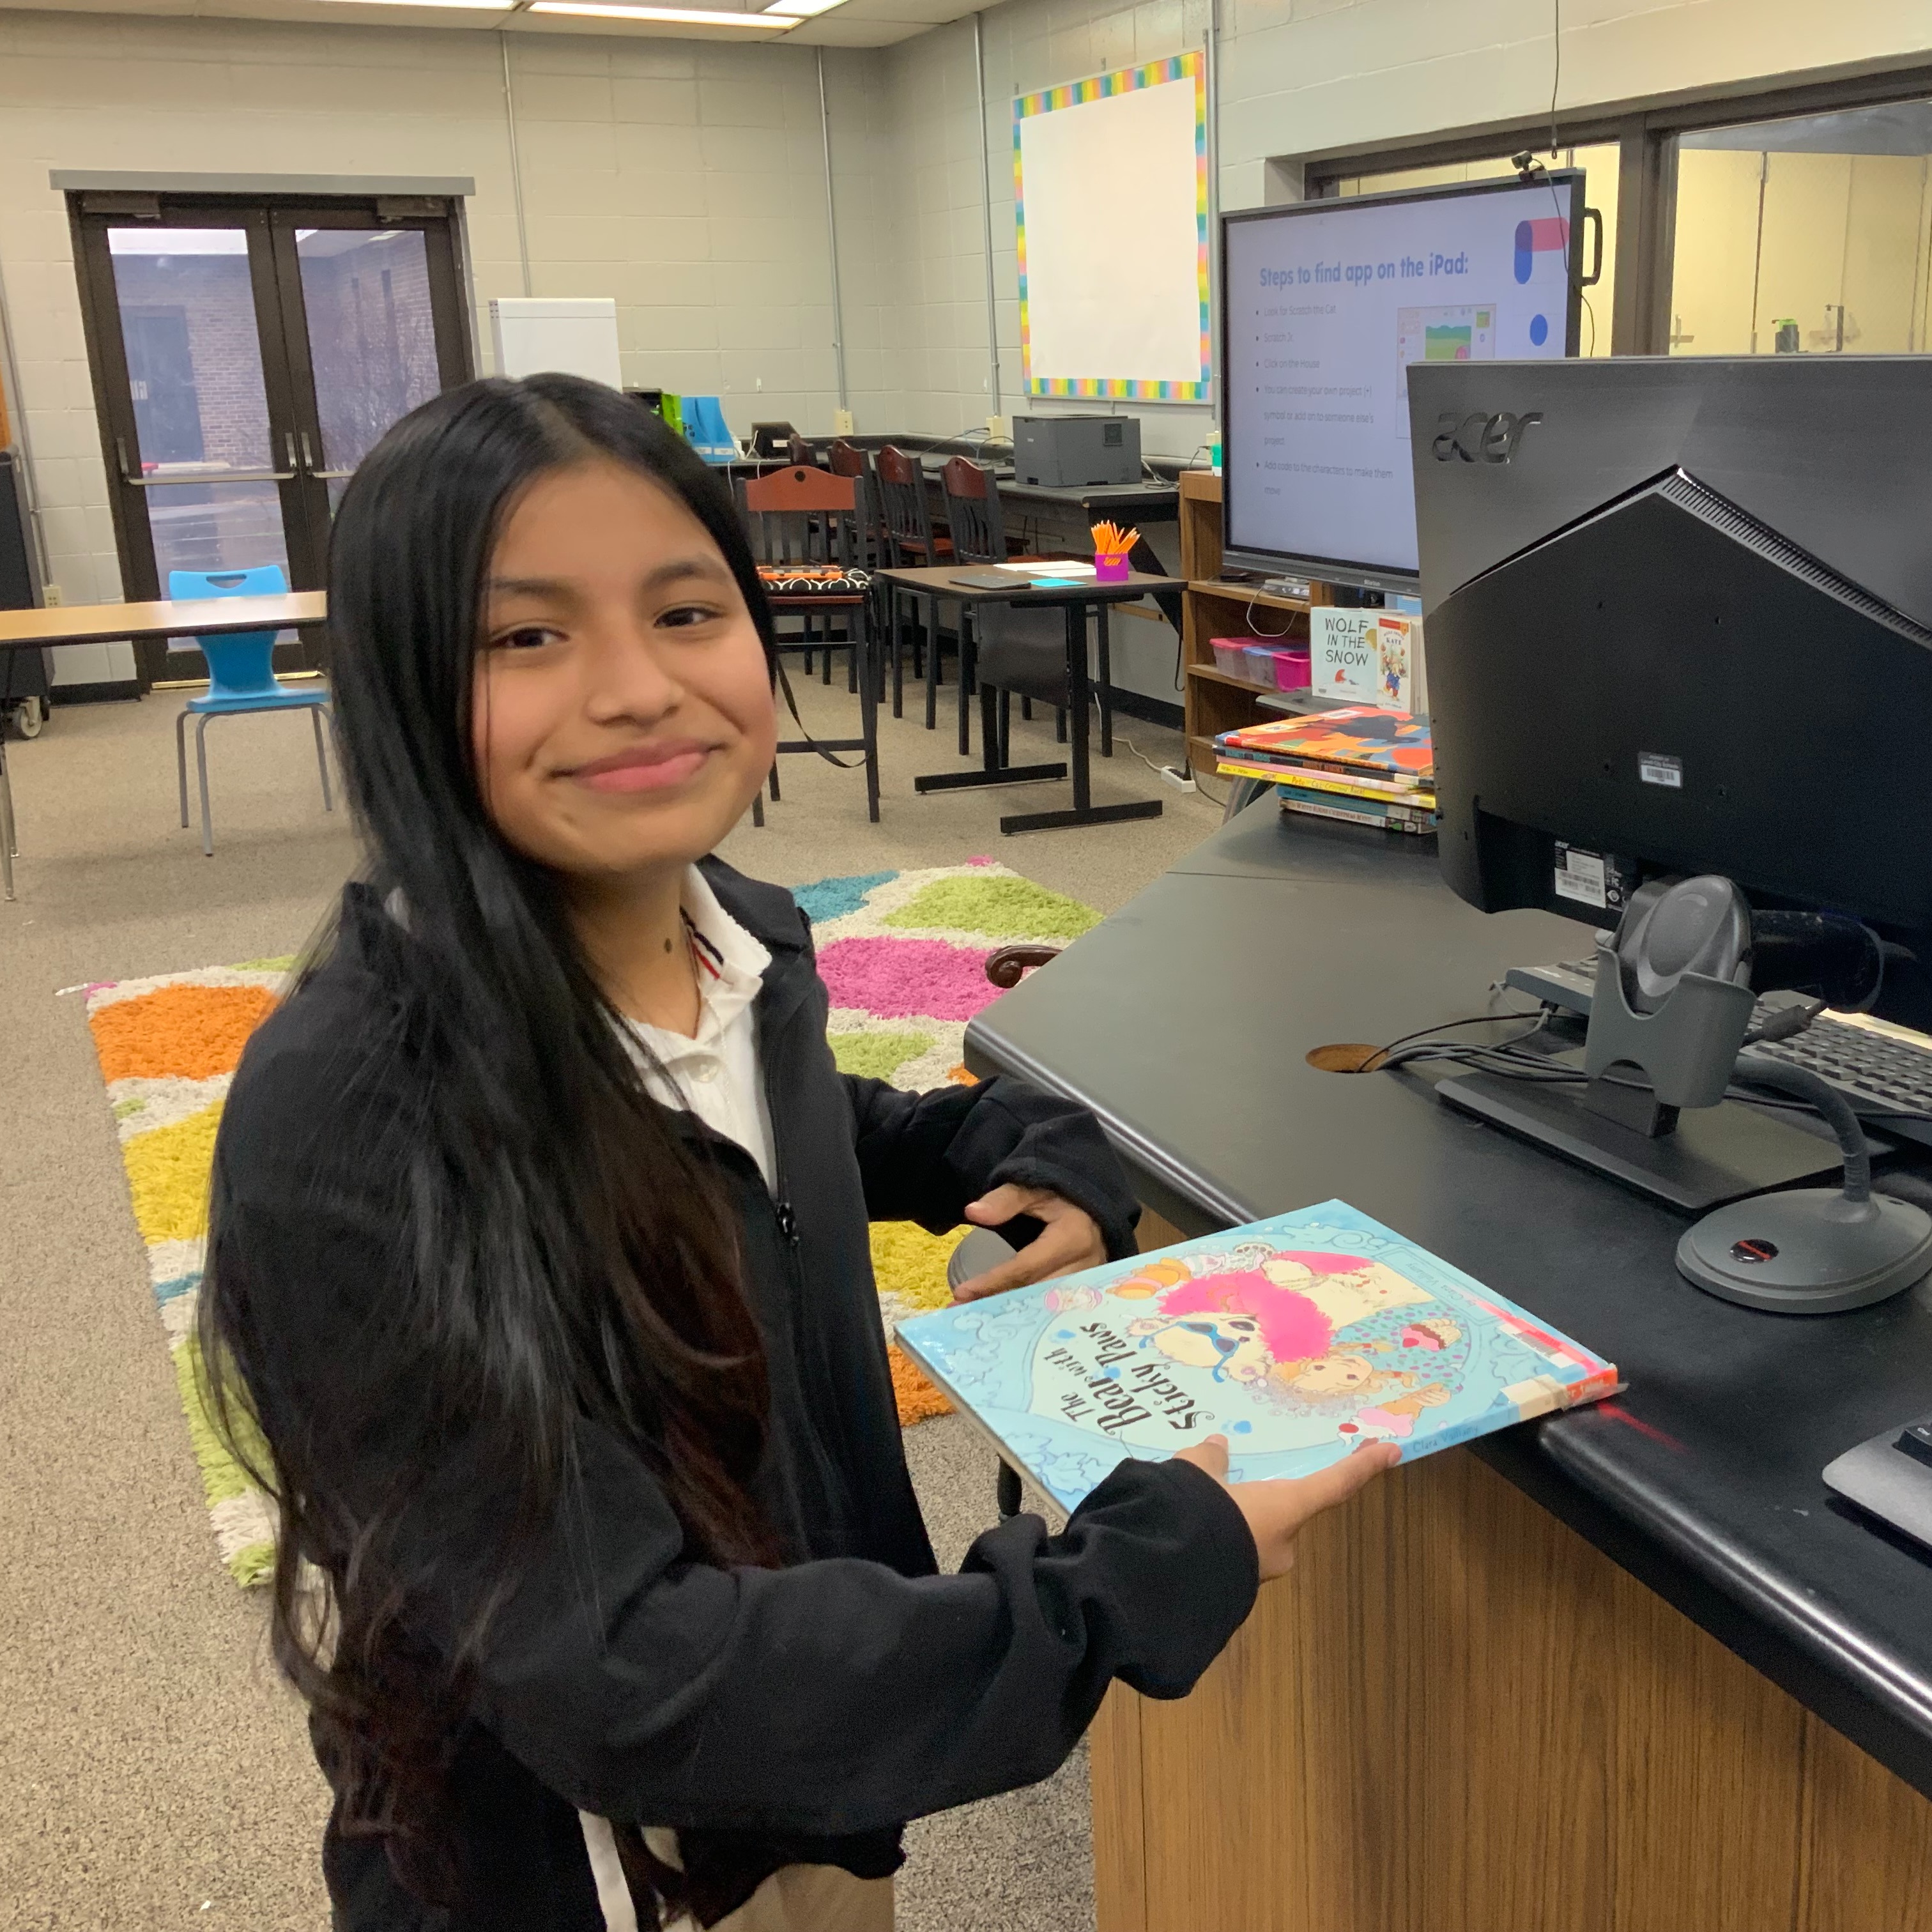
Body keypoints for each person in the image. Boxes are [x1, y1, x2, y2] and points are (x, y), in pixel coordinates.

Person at [199, 373, 1398, 1932]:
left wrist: (1036, 1140)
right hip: (597, 1867)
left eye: (689, 612)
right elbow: (625, 1676)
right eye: (526, 637)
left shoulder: (739, 944)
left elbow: (813, 1142)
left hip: (819, 1764)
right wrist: (1107, 1595)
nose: (637, 688)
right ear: (398, 691)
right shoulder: (358, 1118)